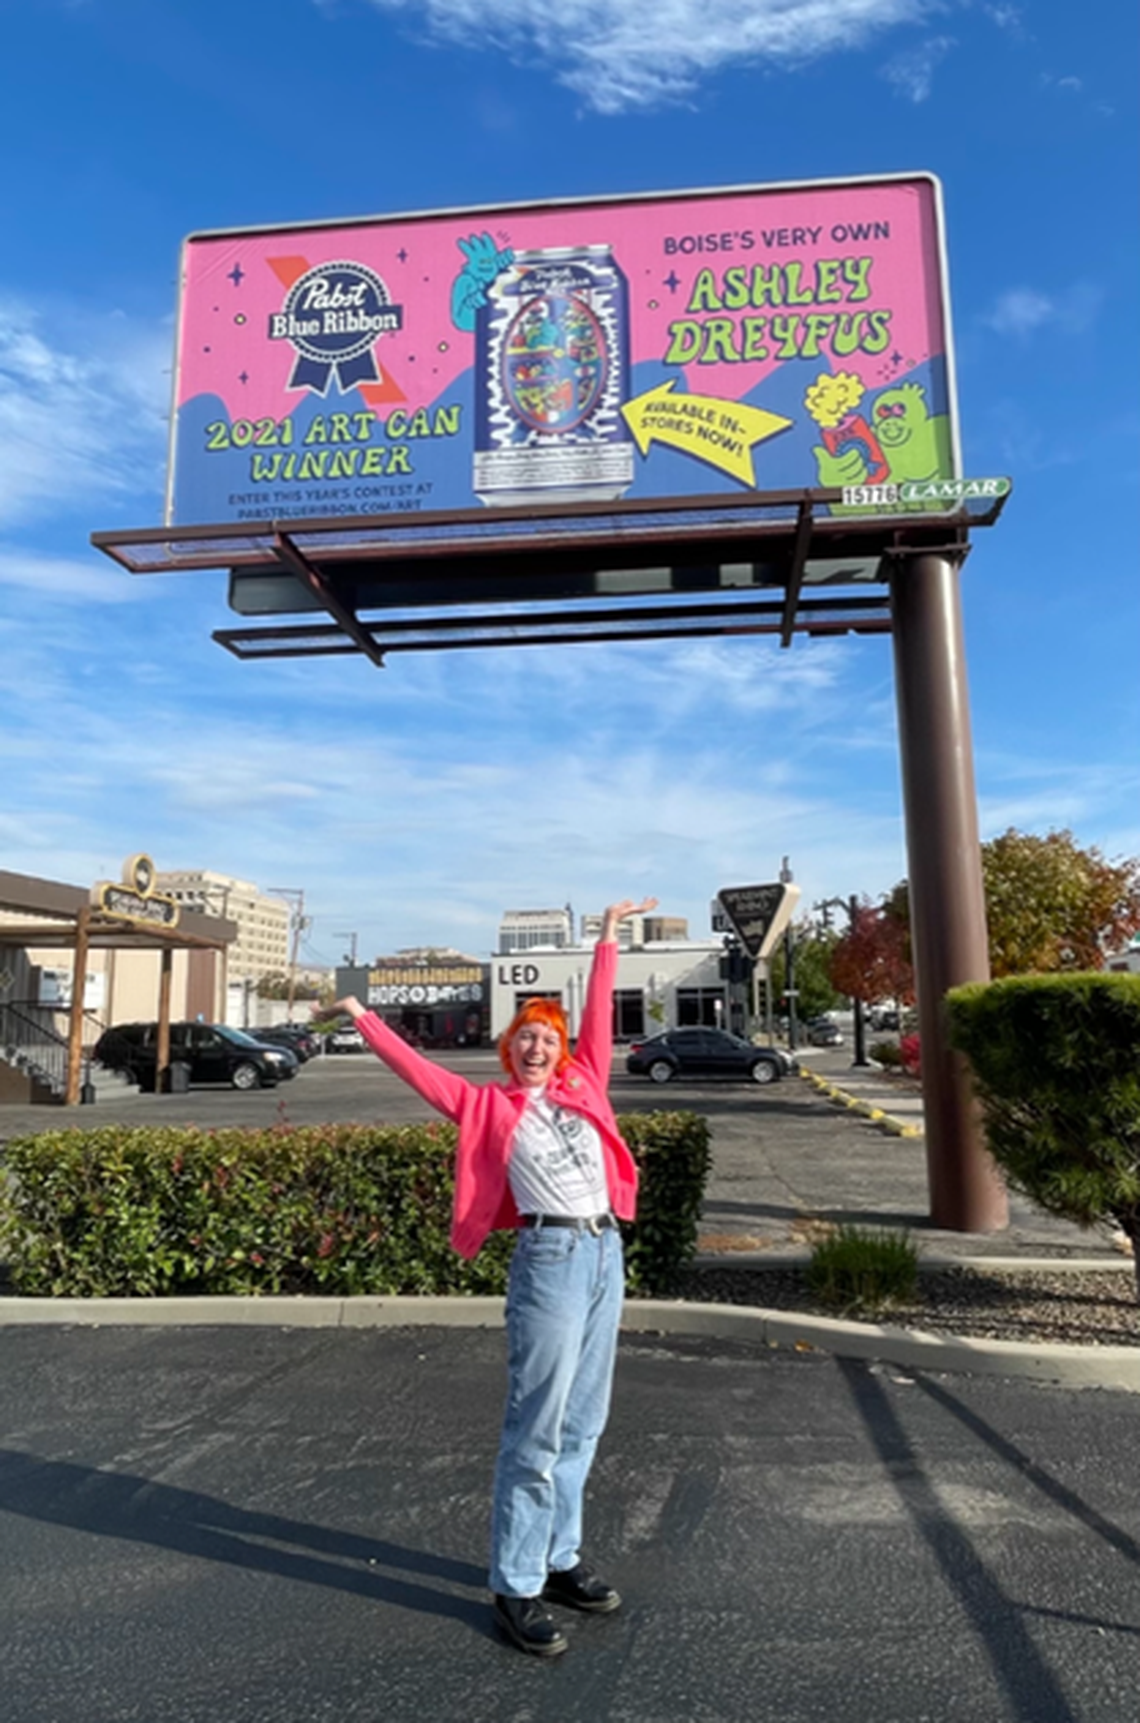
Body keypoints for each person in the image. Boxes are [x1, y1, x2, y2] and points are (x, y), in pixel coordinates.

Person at [333, 895, 656, 1658]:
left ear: (563, 1048)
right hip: (548, 1263)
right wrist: (362, 1015)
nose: (537, 1048)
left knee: (583, 1421)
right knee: (536, 1427)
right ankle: (514, 1585)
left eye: (547, 1037)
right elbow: (418, 1072)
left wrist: (608, 936)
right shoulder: (484, 1105)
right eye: (525, 1040)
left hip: (605, 1252)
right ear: (509, 1051)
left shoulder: (587, 1087)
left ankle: (557, 1558)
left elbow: (601, 1011)